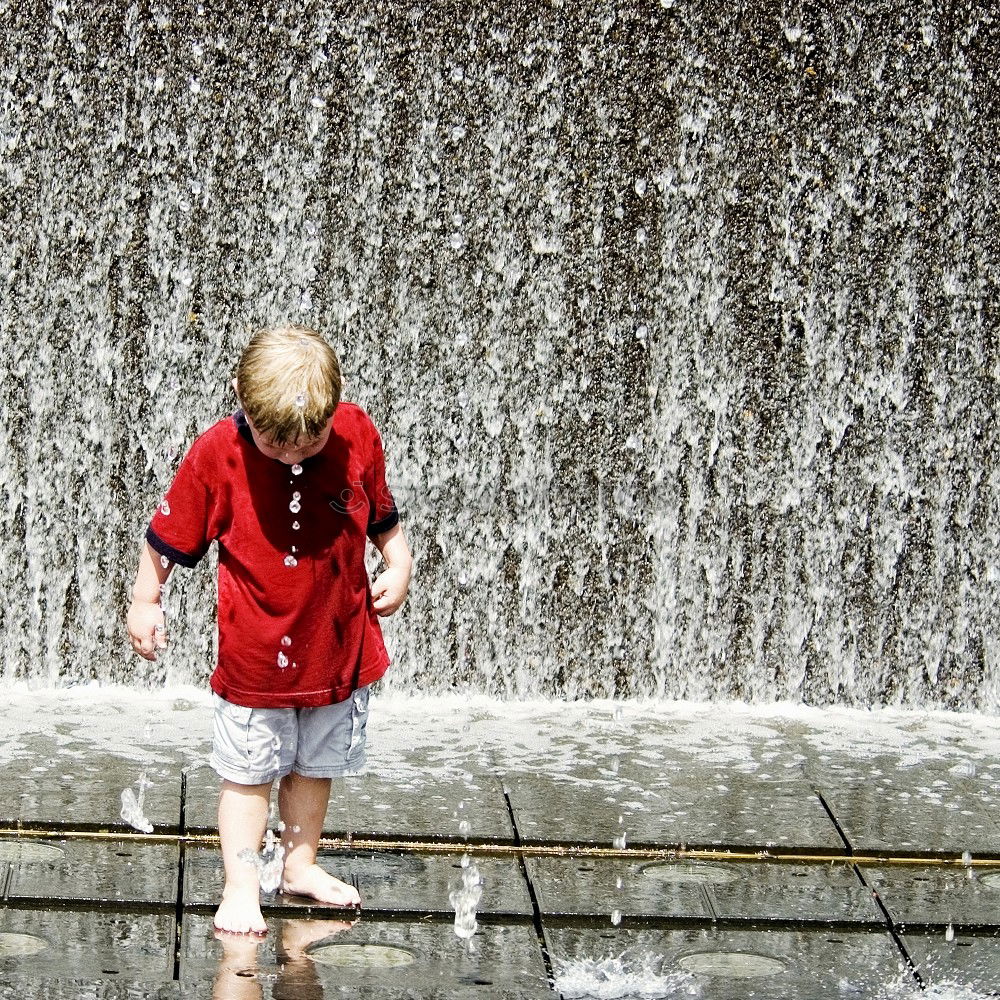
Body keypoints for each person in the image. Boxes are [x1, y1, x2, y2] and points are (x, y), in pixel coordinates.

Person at [126, 325, 412, 935]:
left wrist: (400, 562)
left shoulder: (358, 434)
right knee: (249, 772)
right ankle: (239, 885)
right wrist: (146, 600)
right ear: (242, 402)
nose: (292, 457)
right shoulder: (217, 454)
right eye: (274, 444)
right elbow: (166, 541)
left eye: (309, 444)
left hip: (337, 647)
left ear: (334, 412)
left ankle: (298, 865)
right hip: (255, 656)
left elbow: (382, 515)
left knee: (315, 764)